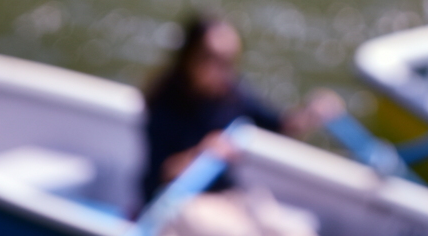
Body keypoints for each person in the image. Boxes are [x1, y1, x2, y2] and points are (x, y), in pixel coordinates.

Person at [141, 16, 341, 207]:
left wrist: (312, 114)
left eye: (230, 61)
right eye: (215, 61)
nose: (225, 71)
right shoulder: (165, 102)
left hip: (223, 197)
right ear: (190, 58)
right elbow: (161, 173)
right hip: (175, 201)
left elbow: (280, 125)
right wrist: (202, 153)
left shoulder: (233, 96)